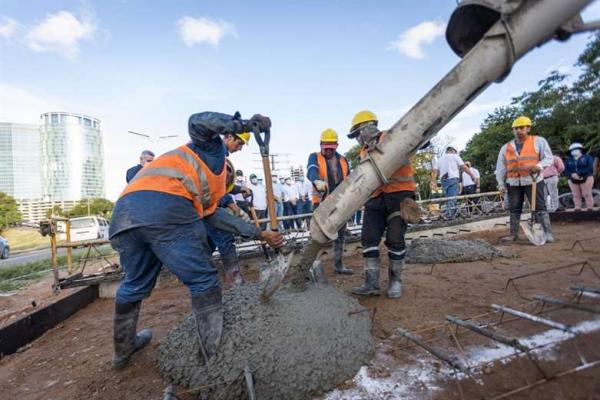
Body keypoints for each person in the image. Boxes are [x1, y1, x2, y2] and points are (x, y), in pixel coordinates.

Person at [108, 111, 283, 370]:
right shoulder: (212, 150)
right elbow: (196, 121)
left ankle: (123, 351)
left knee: (133, 284)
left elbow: (215, 217)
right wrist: (243, 124)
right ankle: (213, 354)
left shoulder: (196, 179)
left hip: (124, 217)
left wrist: (260, 233)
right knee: (203, 280)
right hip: (165, 209)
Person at [348, 111, 416, 298]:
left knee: (395, 239)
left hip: (399, 196)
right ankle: (371, 283)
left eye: (357, 134)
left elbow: (416, 139)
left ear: (367, 128)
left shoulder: (391, 137)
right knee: (369, 238)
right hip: (375, 199)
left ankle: (395, 282)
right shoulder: (363, 152)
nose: (357, 140)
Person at [495, 116, 554, 243]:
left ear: (528, 128)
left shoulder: (538, 141)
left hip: (533, 180)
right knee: (514, 209)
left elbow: (548, 158)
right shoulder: (506, 148)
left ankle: (547, 234)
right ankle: (513, 234)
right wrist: (501, 184)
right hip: (513, 183)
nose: (518, 131)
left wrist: (538, 166)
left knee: (540, 207)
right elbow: (501, 167)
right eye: (516, 128)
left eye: (521, 128)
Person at [307, 128, 353, 274]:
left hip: (340, 203)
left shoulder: (343, 160)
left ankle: (338, 265)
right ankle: (308, 267)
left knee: (340, 235)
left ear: (336, 146)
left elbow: (349, 179)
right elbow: (311, 169)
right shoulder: (314, 156)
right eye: (325, 148)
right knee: (317, 236)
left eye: (331, 148)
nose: (328, 151)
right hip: (321, 203)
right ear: (321, 145)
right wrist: (316, 179)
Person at [431, 146, 476, 220]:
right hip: (453, 179)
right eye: (456, 152)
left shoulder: (439, 160)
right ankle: (449, 216)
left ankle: (448, 214)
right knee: (452, 198)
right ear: (453, 151)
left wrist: (433, 182)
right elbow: (464, 167)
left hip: (444, 181)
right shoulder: (455, 156)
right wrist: (472, 175)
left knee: (448, 198)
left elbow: (435, 172)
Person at [564, 142, 595, 211]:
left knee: (587, 193)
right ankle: (577, 208)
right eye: (572, 150)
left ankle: (590, 208)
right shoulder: (568, 160)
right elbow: (565, 170)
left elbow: (590, 167)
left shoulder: (587, 157)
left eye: (576, 149)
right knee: (576, 194)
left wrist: (579, 173)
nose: (574, 151)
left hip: (586, 177)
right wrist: (572, 175)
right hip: (572, 179)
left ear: (580, 150)